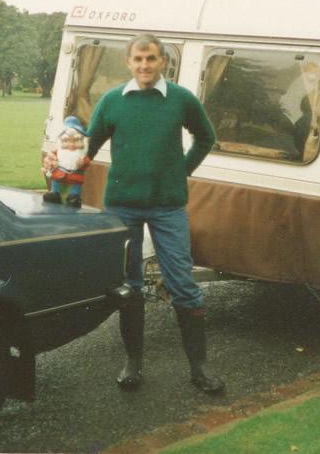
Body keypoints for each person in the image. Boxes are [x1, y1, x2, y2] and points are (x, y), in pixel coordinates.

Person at [84, 33, 224, 394]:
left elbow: (206, 138)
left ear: (164, 62)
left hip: (168, 205)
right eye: (138, 60)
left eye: (151, 59)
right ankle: (132, 363)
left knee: (183, 284)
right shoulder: (113, 101)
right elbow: (88, 147)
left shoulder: (181, 99)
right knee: (129, 287)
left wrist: (181, 170)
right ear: (128, 63)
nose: (144, 65)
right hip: (122, 206)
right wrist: (63, 164)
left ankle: (200, 368)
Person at [43, 115, 91, 208]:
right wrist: (52, 163)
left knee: (76, 187)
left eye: (76, 141)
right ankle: (54, 193)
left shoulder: (81, 155)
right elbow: (51, 161)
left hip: (75, 176)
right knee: (55, 181)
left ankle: (74, 197)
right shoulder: (59, 152)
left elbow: (87, 162)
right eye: (67, 141)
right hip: (59, 175)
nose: (71, 144)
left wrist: (83, 163)